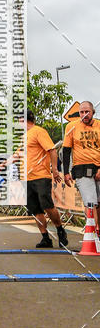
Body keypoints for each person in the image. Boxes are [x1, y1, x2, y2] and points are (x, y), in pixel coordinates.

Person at [22, 110, 67, 248]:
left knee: (47, 205)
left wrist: (55, 170)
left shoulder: (39, 132)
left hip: (41, 176)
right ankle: (45, 238)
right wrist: (3, 165)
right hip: (27, 178)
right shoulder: (24, 137)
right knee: (35, 210)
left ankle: (60, 230)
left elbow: (52, 150)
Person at [63, 100, 100, 235]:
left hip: (98, 166)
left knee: (98, 203)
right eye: (81, 112)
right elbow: (66, 150)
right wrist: (66, 173)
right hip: (81, 169)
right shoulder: (71, 126)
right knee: (90, 202)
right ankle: (92, 234)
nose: (84, 115)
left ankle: (98, 230)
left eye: (87, 112)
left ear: (93, 112)